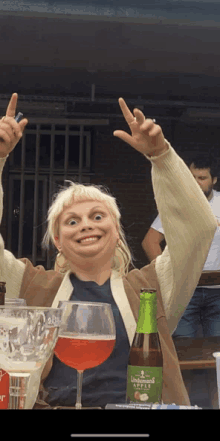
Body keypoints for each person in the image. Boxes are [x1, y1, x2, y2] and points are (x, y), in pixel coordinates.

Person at [0, 94, 217, 409]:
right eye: (72, 221)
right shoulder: (31, 285)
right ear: (58, 241)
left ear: (116, 234)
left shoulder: (149, 289)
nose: (86, 225)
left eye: (98, 216)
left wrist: (162, 156)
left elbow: (198, 228)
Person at [142, 154, 220, 339]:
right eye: (191, 177)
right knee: (183, 347)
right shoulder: (177, 204)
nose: (195, 182)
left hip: (218, 291)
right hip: (185, 291)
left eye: (201, 178)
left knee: (218, 349)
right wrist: (167, 274)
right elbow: (150, 241)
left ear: (214, 180)